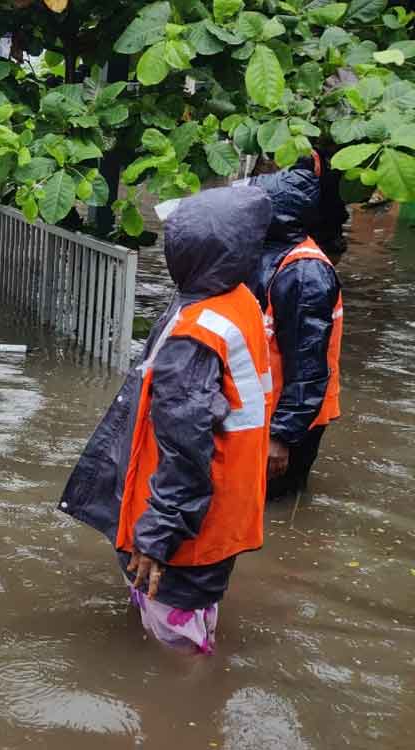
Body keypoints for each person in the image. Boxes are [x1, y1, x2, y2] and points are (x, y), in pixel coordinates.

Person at [58, 185, 274, 654]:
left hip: (189, 527)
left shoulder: (195, 336)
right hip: (225, 511)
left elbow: (185, 452)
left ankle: (184, 709)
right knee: (196, 611)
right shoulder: (239, 301)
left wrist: (156, 537)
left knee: (175, 644)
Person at [246, 158, 344, 499]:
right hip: (269, 408)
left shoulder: (305, 274)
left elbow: (308, 366)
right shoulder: (275, 254)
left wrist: (282, 435)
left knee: (274, 501)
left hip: (290, 418)